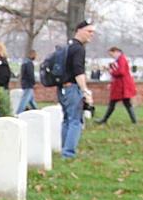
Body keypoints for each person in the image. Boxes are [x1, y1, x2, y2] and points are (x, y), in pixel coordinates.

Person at [58, 20, 95, 159]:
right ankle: (68, 153)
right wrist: (85, 90)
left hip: (62, 87)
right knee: (75, 120)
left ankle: (64, 149)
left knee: (67, 119)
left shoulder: (67, 46)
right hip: (73, 88)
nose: (91, 35)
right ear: (79, 30)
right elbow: (78, 71)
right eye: (89, 31)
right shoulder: (79, 48)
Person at [97, 46, 136, 124]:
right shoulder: (119, 60)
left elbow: (121, 72)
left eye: (112, 54)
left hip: (122, 85)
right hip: (120, 85)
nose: (111, 56)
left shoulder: (121, 59)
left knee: (116, 102)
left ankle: (104, 119)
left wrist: (111, 71)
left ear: (116, 52)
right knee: (125, 103)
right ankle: (134, 120)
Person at [15, 50, 37, 114]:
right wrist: (33, 82)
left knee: (31, 100)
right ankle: (19, 112)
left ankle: (36, 110)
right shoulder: (29, 63)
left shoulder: (24, 62)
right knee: (25, 100)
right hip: (29, 84)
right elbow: (30, 74)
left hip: (24, 83)